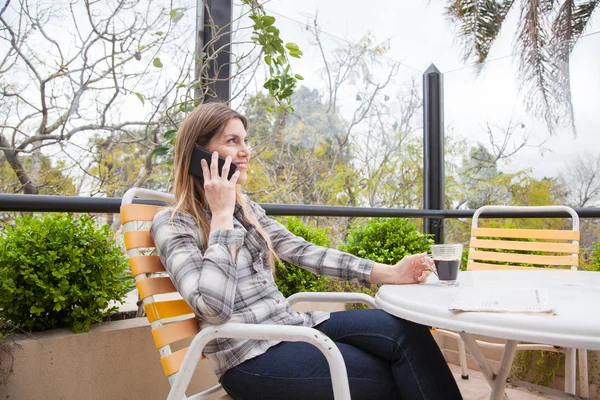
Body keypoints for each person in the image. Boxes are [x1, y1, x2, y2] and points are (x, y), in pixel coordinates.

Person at [151, 102, 462, 400]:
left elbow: (302, 251)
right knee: (393, 374)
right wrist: (220, 217)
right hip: (250, 359)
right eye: (233, 141)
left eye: (245, 140)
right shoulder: (174, 223)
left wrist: (389, 272)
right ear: (198, 154)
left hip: (292, 328)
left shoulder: (247, 211)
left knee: (406, 330)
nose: (245, 151)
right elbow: (214, 310)